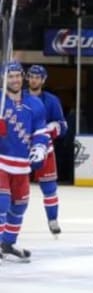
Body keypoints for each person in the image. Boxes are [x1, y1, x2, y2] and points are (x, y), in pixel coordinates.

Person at [0, 62, 49, 262]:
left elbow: (40, 132)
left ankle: (8, 243)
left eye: (18, 76)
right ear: (4, 79)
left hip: (21, 166)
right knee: (1, 204)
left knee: (19, 206)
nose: (15, 80)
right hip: (1, 163)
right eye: (10, 76)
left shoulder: (35, 104)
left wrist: (39, 148)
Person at [26, 65, 67, 237]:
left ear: (43, 80)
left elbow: (63, 125)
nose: (34, 79)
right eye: (31, 76)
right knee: (11, 189)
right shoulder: (18, 98)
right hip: (19, 149)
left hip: (45, 150)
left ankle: (53, 220)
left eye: (38, 77)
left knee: (49, 188)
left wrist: (55, 127)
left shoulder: (51, 100)